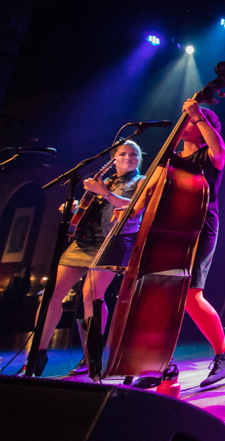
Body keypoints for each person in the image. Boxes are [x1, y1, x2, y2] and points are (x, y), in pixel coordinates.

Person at [133, 99, 225, 388]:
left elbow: (221, 150)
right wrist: (130, 210)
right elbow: (148, 192)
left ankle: (224, 355)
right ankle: (160, 365)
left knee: (191, 295)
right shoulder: (170, 159)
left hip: (200, 227)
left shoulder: (209, 155)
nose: (185, 123)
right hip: (169, 229)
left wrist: (197, 114)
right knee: (165, 295)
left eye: (190, 121)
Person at [20, 140, 146, 376]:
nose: (128, 158)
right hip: (83, 241)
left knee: (92, 297)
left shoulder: (141, 181)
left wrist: (106, 194)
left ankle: (92, 357)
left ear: (139, 160)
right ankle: (37, 354)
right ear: (113, 159)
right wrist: (76, 206)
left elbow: (136, 207)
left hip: (112, 242)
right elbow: (89, 209)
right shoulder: (104, 181)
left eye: (133, 155)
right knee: (51, 295)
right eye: (123, 154)